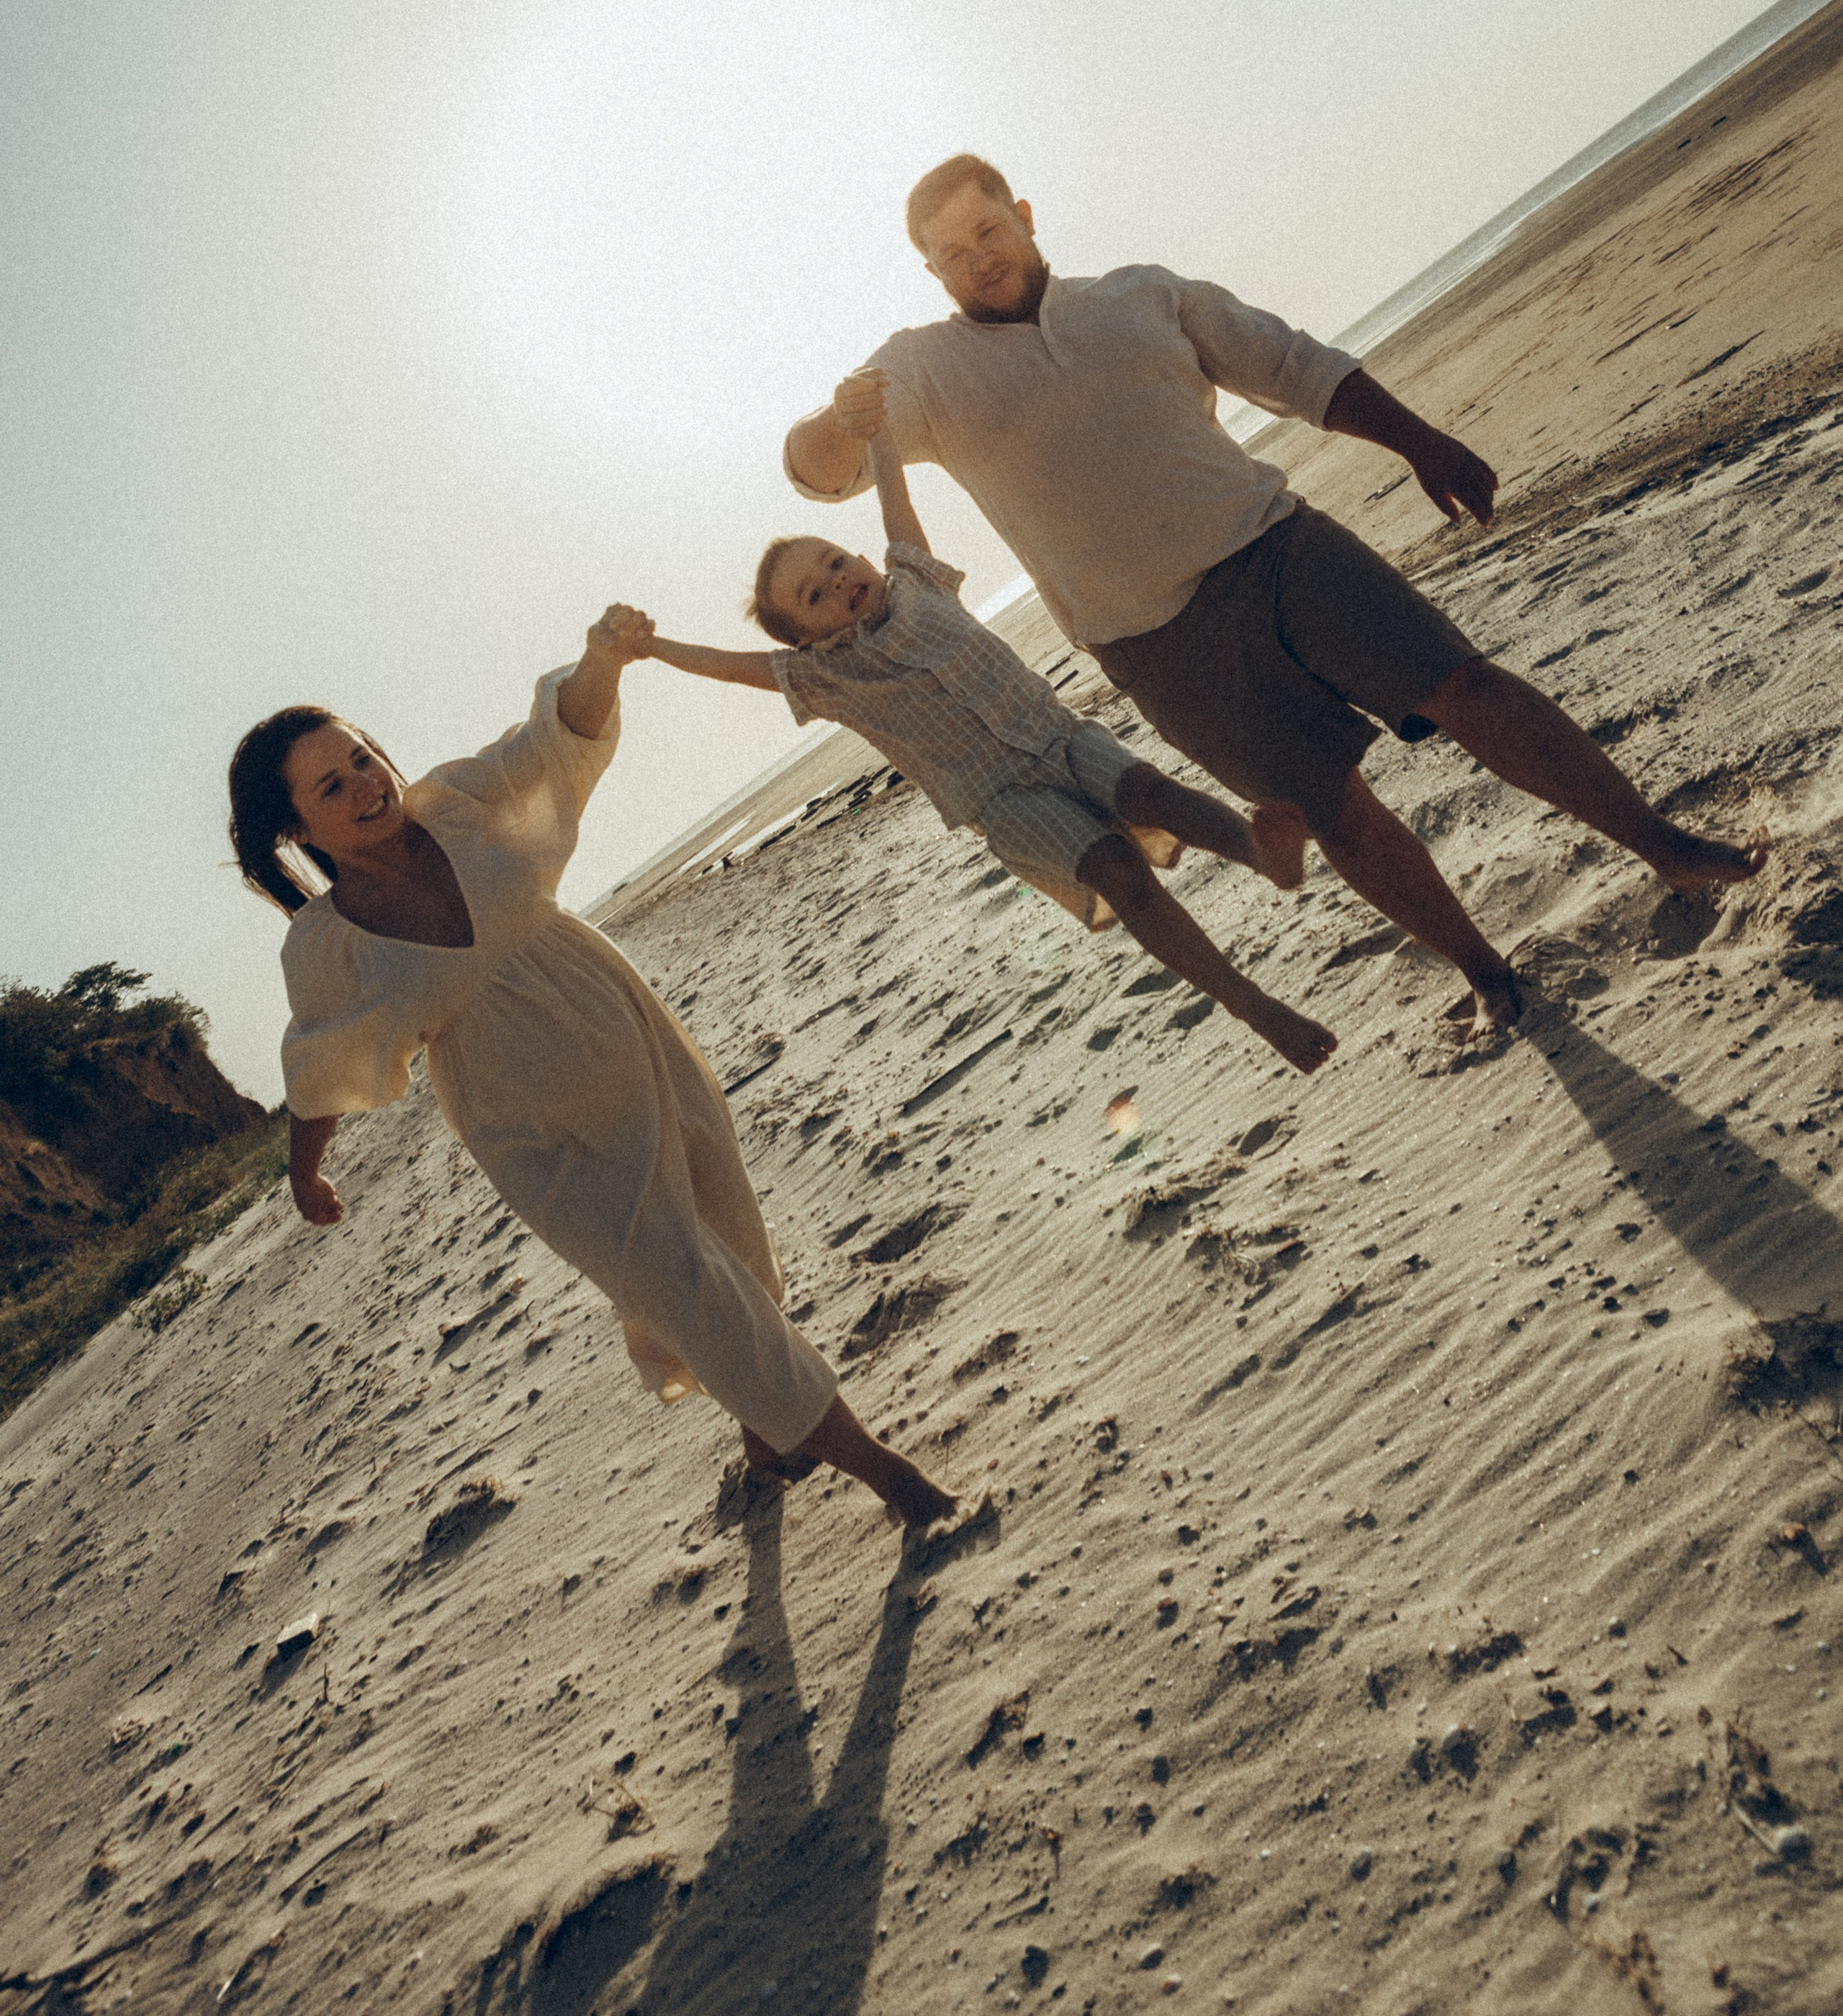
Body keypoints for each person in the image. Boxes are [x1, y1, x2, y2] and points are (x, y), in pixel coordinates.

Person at [781, 156, 1768, 1040]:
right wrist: (839, 419)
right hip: (1158, 645)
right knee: (1330, 808)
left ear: (1025, 216)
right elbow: (816, 471)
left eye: (988, 229)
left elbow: (1291, 366)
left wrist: (1418, 440)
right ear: (932, 274)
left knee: (1467, 687)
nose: (979, 259)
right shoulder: (920, 370)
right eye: (952, 255)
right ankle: (1484, 971)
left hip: (1277, 548)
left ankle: (1667, 847)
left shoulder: (1139, 295)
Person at [227, 606, 955, 1532]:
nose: (366, 784)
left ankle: (767, 1437)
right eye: (332, 786)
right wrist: (305, 1175)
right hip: (535, 1131)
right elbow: (318, 1069)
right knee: (682, 1281)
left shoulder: (459, 803)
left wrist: (602, 657)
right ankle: (894, 1480)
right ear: (295, 829)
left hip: (633, 1041)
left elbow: (554, 742)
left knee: (730, 1240)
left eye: (363, 758)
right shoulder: (325, 947)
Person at [634, 431, 1338, 1076]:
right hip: (1004, 802)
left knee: (1152, 793)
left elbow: (897, 504)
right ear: (804, 640)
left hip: (1060, 737)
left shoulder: (916, 581)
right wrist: (652, 647)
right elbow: (733, 668)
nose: (838, 579)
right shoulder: (826, 676)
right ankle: (1255, 1007)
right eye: (814, 594)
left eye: (836, 561)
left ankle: (1263, 853)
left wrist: (879, 438)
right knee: (1119, 873)